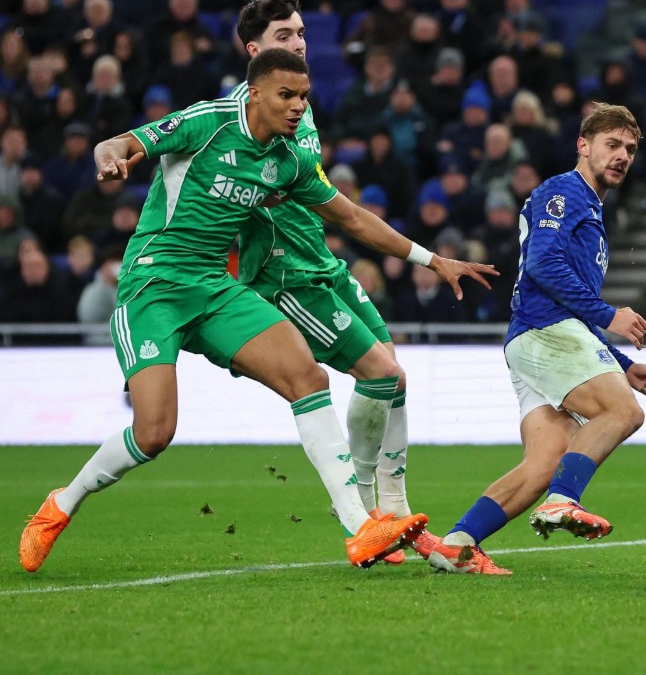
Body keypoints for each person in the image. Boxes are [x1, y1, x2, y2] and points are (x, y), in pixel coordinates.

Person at [18, 49, 492, 573]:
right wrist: (108, 156)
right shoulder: (208, 122)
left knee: (308, 379)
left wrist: (432, 260)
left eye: (303, 97)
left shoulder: (287, 161)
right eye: (286, 96)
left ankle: (361, 527)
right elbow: (124, 141)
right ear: (257, 93)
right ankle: (59, 507)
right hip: (153, 285)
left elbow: (353, 219)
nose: (296, 107)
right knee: (154, 433)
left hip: (216, 288)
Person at [224, 0, 487, 561]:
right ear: (253, 52)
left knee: (396, 381)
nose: (297, 43)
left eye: (300, 34)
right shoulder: (234, 123)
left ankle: (392, 507)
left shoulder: (300, 105)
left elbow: (334, 206)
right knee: (382, 373)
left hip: (324, 265)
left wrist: (429, 258)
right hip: (285, 275)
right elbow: (210, 209)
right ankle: (368, 512)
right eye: (283, 37)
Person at [423, 103, 646, 575]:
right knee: (622, 411)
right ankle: (564, 501)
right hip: (544, 331)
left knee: (543, 463)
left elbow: (569, 297)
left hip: (535, 338)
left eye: (631, 150)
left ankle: (455, 544)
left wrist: (622, 365)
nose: (622, 156)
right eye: (612, 145)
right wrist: (609, 315)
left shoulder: (591, 208)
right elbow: (542, 265)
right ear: (583, 145)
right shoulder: (565, 191)